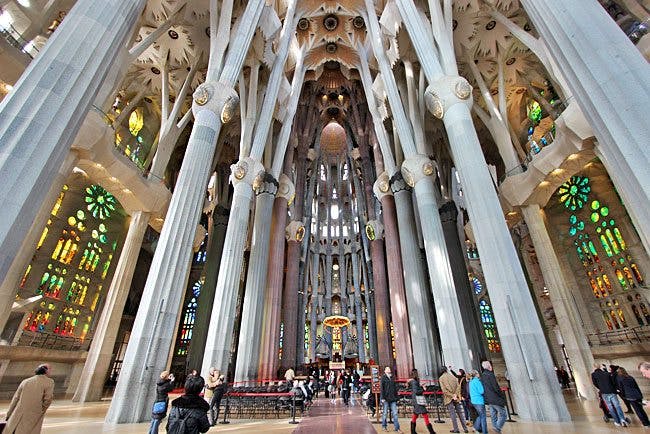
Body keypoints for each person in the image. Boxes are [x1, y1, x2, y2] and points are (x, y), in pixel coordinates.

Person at [5, 363, 54, 434]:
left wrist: (9, 414)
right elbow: (48, 399)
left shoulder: (25, 381)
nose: (51, 371)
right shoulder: (50, 382)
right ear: (45, 370)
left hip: (17, 413)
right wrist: (41, 409)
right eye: (50, 369)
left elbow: (15, 399)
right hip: (34, 414)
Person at [481, 361, 507, 433]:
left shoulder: (483, 375)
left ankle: (496, 428)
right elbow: (495, 387)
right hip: (495, 398)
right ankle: (497, 428)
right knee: (503, 414)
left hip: (489, 399)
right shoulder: (490, 374)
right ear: (489, 366)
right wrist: (501, 396)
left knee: (493, 415)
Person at [439, 367, 468, 433]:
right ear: (446, 370)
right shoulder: (453, 377)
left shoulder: (441, 378)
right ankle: (465, 428)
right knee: (460, 413)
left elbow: (444, 390)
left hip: (449, 398)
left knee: (453, 414)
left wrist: (452, 396)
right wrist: (455, 395)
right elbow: (458, 386)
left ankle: (456, 429)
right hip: (456, 397)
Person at [408, 369, 435, 434]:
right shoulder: (414, 382)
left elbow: (416, 390)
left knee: (415, 415)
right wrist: (423, 389)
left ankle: (413, 431)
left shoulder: (414, 381)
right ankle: (432, 432)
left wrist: (421, 387)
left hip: (416, 401)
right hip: (418, 401)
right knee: (425, 415)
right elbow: (416, 392)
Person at [380, 366, 402, 433]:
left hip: (393, 398)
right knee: (385, 413)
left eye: (389, 368)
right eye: (387, 369)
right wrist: (382, 398)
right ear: (385, 371)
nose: (389, 369)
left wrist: (397, 397)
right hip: (386, 398)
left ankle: (397, 428)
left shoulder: (392, 378)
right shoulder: (383, 378)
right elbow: (382, 389)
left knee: (395, 413)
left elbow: (395, 388)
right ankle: (384, 426)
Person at [468, 370, 487, 434]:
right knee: (483, 417)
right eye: (478, 373)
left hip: (474, 401)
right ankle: (484, 432)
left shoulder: (470, 382)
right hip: (479, 401)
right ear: (476, 374)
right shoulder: (477, 381)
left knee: (480, 415)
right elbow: (481, 391)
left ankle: (475, 427)